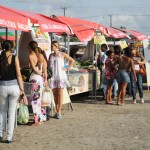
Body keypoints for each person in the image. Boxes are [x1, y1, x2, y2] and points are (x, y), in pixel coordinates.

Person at [0, 40, 24, 143]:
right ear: (12, 47)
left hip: (2, 87)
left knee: (2, 110)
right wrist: (22, 89)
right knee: (11, 112)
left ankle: (0, 132)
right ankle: (9, 137)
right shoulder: (15, 58)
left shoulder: (0, 57)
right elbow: (18, 74)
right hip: (14, 86)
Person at [48, 41, 74, 119]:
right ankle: (56, 110)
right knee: (55, 94)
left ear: (57, 46)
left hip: (61, 76)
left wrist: (67, 68)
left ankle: (59, 111)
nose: (52, 46)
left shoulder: (62, 54)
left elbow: (72, 60)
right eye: (51, 45)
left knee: (60, 93)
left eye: (53, 45)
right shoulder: (50, 55)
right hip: (53, 76)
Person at [28, 41, 47, 125]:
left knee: (35, 99)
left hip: (35, 78)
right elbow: (45, 69)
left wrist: (40, 74)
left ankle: (37, 120)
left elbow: (34, 68)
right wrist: (44, 78)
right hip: (41, 79)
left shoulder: (31, 56)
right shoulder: (41, 55)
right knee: (40, 99)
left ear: (29, 47)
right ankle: (42, 117)